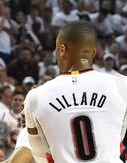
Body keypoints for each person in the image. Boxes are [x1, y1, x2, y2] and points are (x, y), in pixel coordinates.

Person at [24, 21, 127, 162]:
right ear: (94, 52)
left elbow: (39, 154)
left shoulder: (35, 97)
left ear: (61, 50)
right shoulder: (121, 85)